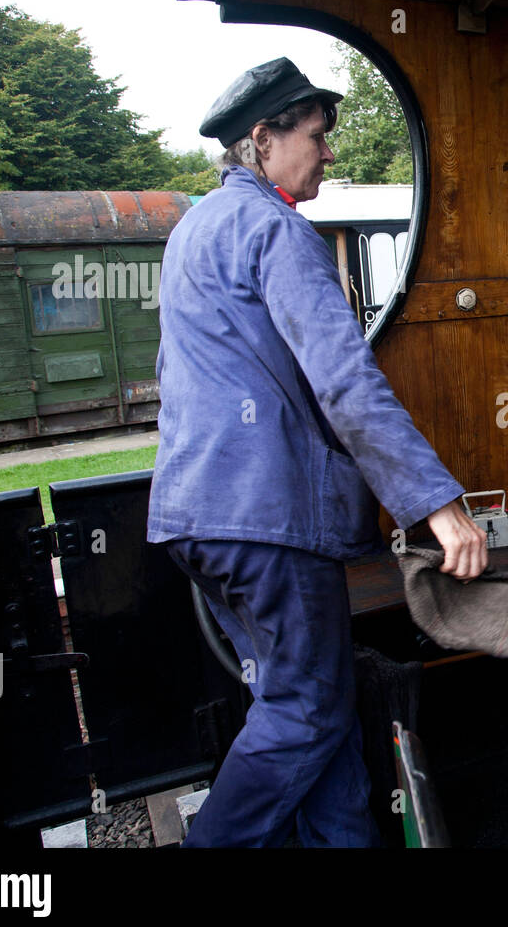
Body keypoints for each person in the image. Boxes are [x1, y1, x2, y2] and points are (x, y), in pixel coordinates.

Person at [147, 57, 487, 847]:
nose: (329, 153)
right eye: (317, 136)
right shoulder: (276, 230)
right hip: (264, 521)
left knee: (308, 702)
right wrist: (440, 507)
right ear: (262, 140)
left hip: (198, 519)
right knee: (306, 710)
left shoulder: (193, 228)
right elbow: (346, 382)